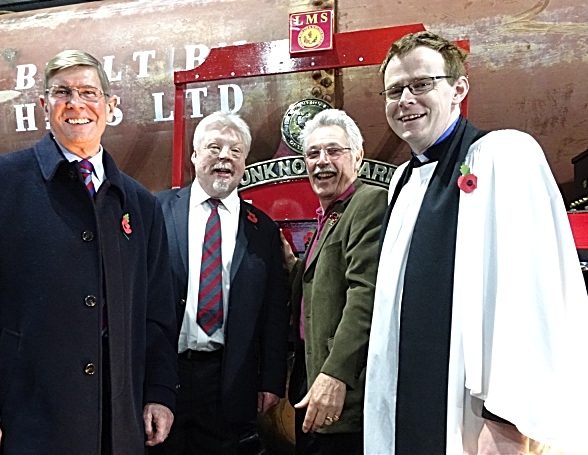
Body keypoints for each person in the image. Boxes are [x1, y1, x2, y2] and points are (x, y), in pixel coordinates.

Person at [0, 50, 178, 455]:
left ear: (110, 106)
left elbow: (156, 316)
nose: (76, 104)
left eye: (88, 93)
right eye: (62, 93)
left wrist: (159, 391)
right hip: (22, 421)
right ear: (45, 106)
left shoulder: (139, 202)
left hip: (116, 426)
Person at [365, 31, 588, 454]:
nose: (406, 99)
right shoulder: (402, 181)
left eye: (421, 84)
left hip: (475, 420)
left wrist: (509, 420)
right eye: (394, 90)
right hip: (405, 411)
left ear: (458, 89)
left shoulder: (503, 156)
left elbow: (531, 295)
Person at [152, 112, 289, 455]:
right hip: (165, 375)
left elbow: (274, 310)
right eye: (214, 147)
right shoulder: (156, 211)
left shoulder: (263, 230)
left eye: (235, 150)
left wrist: (271, 380)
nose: (225, 156)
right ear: (195, 156)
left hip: (230, 379)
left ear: (244, 161)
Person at [281, 109, 388, 455]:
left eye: (333, 151)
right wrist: (293, 267)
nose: (321, 162)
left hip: (341, 392)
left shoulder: (367, 203)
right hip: (309, 385)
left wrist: (336, 375)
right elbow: (323, 286)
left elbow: (366, 294)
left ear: (357, 155)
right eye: (313, 154)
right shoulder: (330, 216)